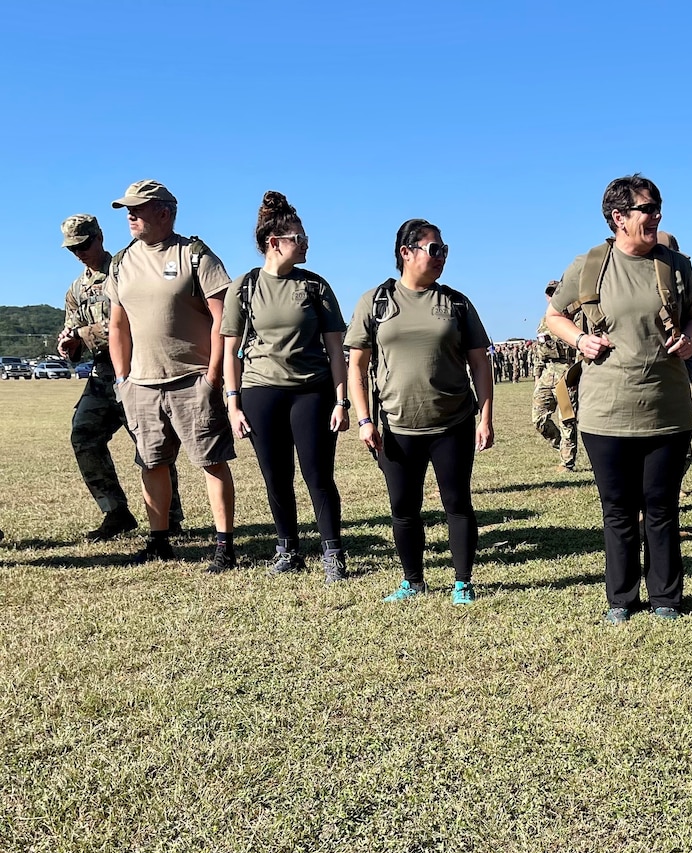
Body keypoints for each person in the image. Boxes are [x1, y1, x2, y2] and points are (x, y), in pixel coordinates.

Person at [544, 174, 692, 624]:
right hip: (605, 411)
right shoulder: (590, 264)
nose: (655, 216)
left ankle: (667, 598)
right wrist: (580, 340)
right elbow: (554, 316)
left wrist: (689, 340)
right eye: (647, 209)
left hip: (666, 409)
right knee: (618, 511)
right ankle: (621, 599)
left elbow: (691, 320)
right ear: (619, 217)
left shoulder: (675, 265)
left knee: (661, 507)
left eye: (657, 208)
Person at [345, 218, 494, 603]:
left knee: (457, 503)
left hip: (453, 423)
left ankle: (463, 581)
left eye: (444, 249)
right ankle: (412, 581)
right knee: (402, 507)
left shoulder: (456, 303)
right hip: (396, 426)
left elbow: (480, 364)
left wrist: (486, 417)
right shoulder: (375, 301)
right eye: (434, 249)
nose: (442, 256)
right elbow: (356, 367)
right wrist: (363, 420)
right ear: (406, 252)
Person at [105, 180, 236, 570]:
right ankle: (159, 540)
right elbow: (117, 326)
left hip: (192, 379)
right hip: (141, 384)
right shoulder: (121, 261)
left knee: (211, 461)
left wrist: (212, 377)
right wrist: (122, 379)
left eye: (138, 208)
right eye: (127, 209)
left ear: (164, 212)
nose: (130, 216)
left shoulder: (195, 255)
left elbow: (223, 320)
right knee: (151, 462)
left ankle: (224, 545)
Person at [221, 192, 351, 583]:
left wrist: (341, 401)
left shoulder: (315, 287)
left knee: (317, 475)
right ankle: (287, 548)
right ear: (274, 243)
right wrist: (233, 404)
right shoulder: (243, 287)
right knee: (275, 476)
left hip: (312, 391)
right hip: (262, 391)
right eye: (299, 236)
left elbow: (336, 351)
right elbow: (231, 352)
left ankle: (333, 553)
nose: (306, 242)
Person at [58, 213, 184, 541]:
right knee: (83, 436)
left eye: (84, 244)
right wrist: (69, 345)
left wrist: (83, 335)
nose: (79, 252)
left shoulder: (126, 270)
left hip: (138, 370)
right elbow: (75, 339)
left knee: (152, 446)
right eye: (72, 248)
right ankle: (115, 512)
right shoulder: (75, 289)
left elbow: (137, 321)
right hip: (103, 376)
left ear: (100, 237)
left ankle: (169, 518)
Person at [531, 279, 580, 472]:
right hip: (548, 374)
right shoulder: (544, 322)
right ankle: (561, 445)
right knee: (538, 419)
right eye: (550, 293)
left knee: (566, 419)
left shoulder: (575, 319)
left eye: (556, 292)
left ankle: (567, 462)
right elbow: (539, 353)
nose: (552, 297)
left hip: (568, 375)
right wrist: (537, 376)